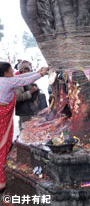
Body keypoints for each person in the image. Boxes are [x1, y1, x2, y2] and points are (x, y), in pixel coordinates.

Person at [0, 61, 48, 193]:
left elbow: (21, 77)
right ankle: (1, 182)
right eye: (11, 71)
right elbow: (23, 80)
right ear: (5, 73)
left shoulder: (4, 80)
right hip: (3, 116)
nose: (13, 73)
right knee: (2, 147)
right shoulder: (7, 82)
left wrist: (39, 71)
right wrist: (41, 73)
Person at [15, 60, 48, 128]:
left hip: (34, 111)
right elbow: (18, 97)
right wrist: (30, 92)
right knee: (26, 131)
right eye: (22, 70)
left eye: (26, 70)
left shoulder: (31, 81)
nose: (25, 72)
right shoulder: (18, 82)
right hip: (25, 113)